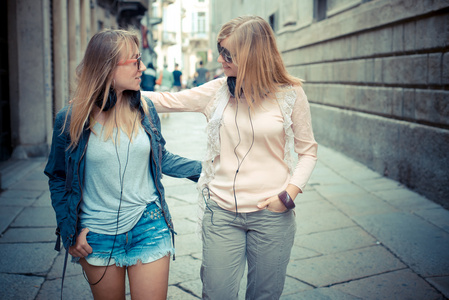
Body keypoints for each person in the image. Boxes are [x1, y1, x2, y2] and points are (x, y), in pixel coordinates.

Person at [142, 15, 318, 299]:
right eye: (220, 50)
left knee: (264, 294)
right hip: (221, 213)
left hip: (271, 216)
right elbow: (166, 100)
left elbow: (308, 151)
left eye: (228, 54)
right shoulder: (217, 91)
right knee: (216, 294)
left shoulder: (291, 94)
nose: (220, 59)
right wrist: (111, 90)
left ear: (252, 55)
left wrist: (288, 195)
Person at [44, 29, 201, 300]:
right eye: (135, 61)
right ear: (107, 67)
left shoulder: (146, 110)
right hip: (96, 237)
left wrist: (210, 169)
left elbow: (161, 157)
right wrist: (69, 231)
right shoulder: (70, 119)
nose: (142, 67)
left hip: (149, 226)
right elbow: (58, 177)